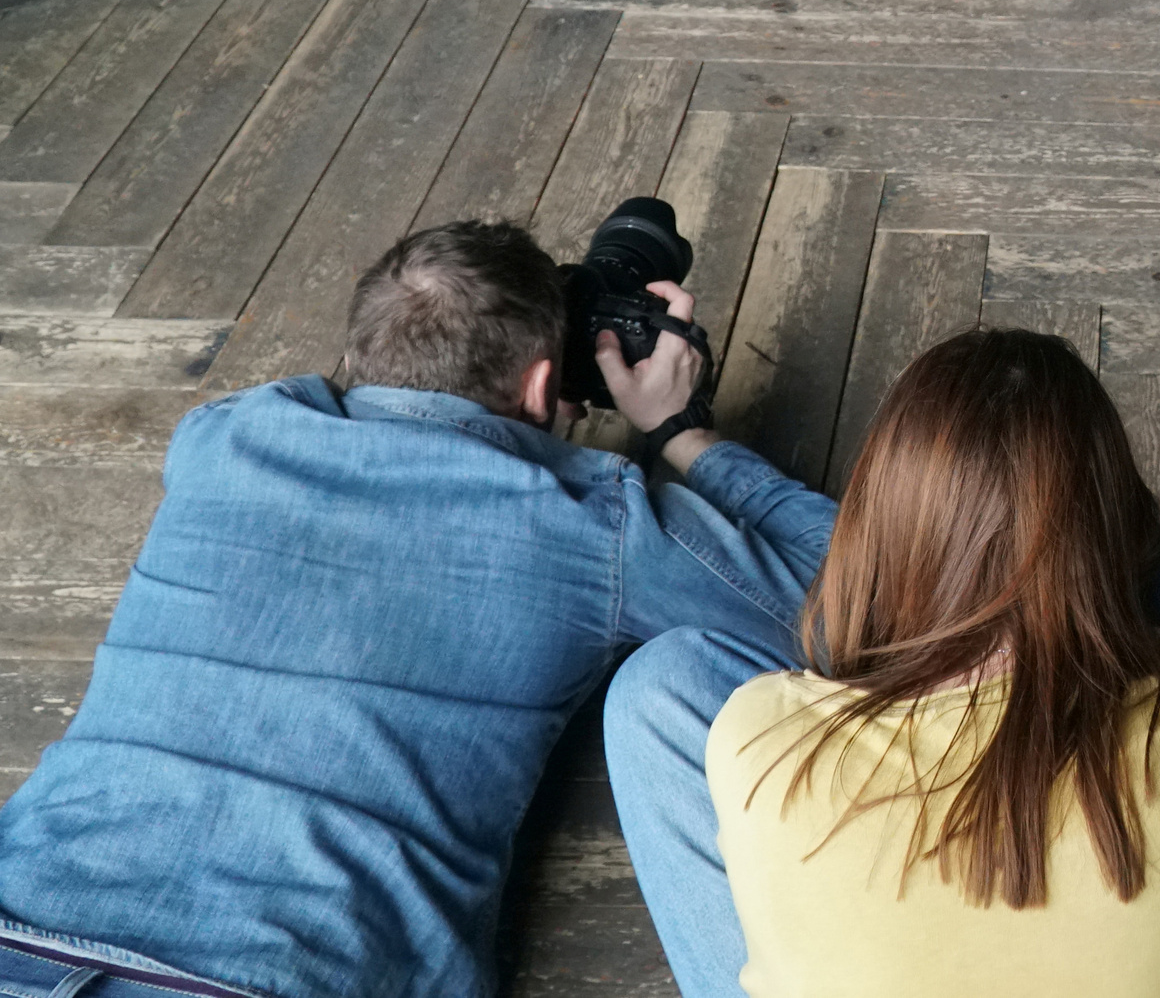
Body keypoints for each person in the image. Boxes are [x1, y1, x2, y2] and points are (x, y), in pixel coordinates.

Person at [0, 221, 837, 998]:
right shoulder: (593, 518)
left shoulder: (220, 437)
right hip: (282, 974)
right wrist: (680, 429)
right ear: (544, 382)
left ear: (360, 352)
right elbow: (846, 592)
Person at [604, 327, 1160, 998]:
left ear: (870, 532)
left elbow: (857, 581)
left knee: (655, 685)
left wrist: (685, 439)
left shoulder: (758, 745)